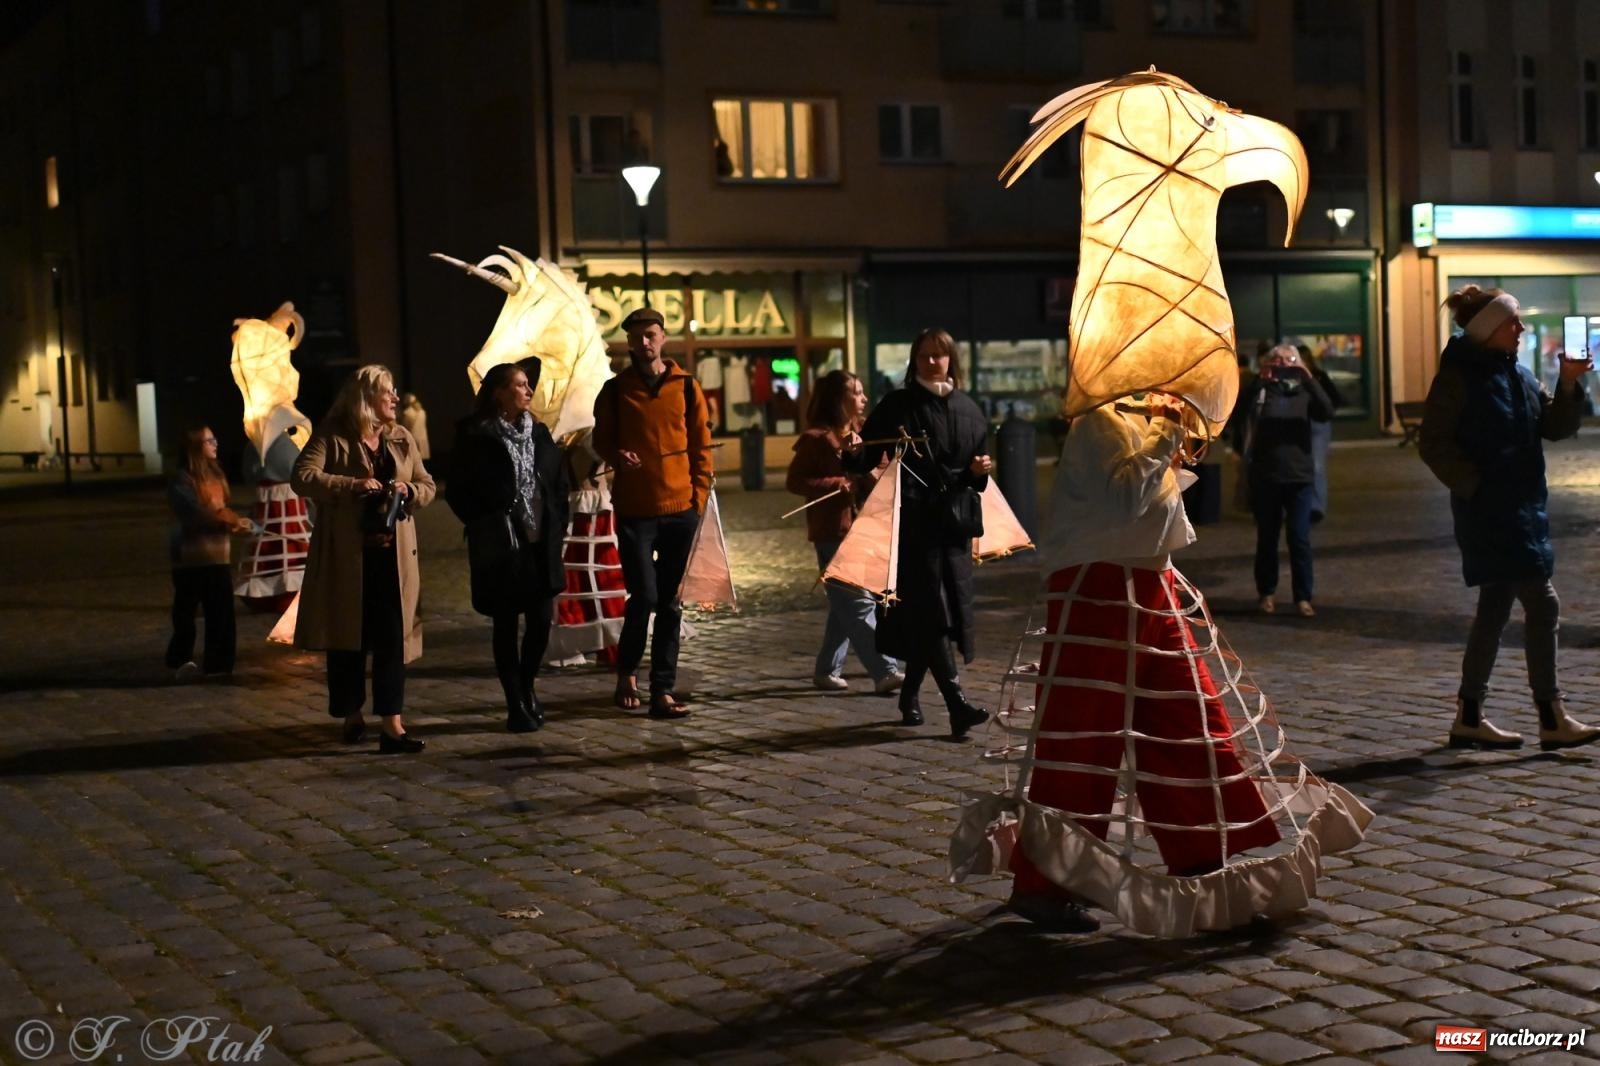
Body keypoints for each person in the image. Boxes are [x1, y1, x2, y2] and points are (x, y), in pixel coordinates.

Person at [1003, 397, 1283, 933]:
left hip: (1152, 583)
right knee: (1084, 739)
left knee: (1189, 723)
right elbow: (1125, 494)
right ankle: (1043, 882)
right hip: (1099, 591)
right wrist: (1164, 432)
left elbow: (1149, 501)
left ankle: (1204, 867)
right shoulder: (1097, 424)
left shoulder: (1134, 421)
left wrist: (1171, 447)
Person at [1419, 285, 1600, 752]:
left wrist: (1568, 383)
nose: (1520, 329)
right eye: (1512, 322)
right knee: (1543, 603)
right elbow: (1434, 444)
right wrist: (1478, 487)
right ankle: (1550, 714)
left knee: (1495, 609)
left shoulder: (1517, 375)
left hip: (1523, 506)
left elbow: (1556, 428)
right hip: (1492, 512)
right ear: (1488, 330)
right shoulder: (1458, 378)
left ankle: (1470, 716)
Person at [845, 327, 991, 738]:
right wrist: (855, 451)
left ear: (950, 359)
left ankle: (910, 697)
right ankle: (957, 705)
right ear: (914, 361)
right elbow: (867, 454)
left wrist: (979, 472)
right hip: (916, 526)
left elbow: (976, 472)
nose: (931, 361)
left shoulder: (969, 409)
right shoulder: (898, 404)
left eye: (938, 355)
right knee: (933, 615)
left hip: (955, 529)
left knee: (937, 620)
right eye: (924, 355)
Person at [292, 365, 436, 753]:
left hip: (393, 559)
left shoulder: (402, 437)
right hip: (348, 560)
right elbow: (302, 476)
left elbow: (428, 485)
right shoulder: (333, 435)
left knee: (392, 641)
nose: (394, 397)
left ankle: (393, 725)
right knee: (348, 640)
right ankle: (351, 714)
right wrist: (349, 485)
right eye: (387, 391)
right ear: (366, 398)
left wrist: (408, 489)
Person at [591, 306, 714, 719]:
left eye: (652, 335)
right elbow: (601, 440)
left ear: (663, 338)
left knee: (671, 604)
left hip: (681, 510)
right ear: (627, 341)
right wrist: (615, 455)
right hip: (636, 512)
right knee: (642, 596)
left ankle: (662, 687)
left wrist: (697, 500)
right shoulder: (615, 390)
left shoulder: (686, 386)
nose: (644, 342)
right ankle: (627, 672)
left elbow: (701, 446)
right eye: (637, 336)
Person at [446, 361, 570, 732]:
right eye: (519, 385)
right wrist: (484, 521)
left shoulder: (540, 434)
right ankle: (515, 702)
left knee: (541, 622)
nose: (528, 391)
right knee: (505, 623)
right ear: (499, 392)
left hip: (539, 543)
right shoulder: (475, 434)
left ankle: (526, 684)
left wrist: (557, 522)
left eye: (528, 384)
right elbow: (457, 491)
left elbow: (558, 484)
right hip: (501, 546)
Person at [786, 369, 905, 696]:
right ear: (839, 399)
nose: (864, 398)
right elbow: (795, 480)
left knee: (845, 605)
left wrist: (861, 459)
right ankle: (885, 669)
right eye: (857, 393)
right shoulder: (816, 439)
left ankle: (827, 669)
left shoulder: (864, 432)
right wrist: (835, 483)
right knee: (857, 602)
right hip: (832, 531)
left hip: (863, 529)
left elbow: (882, 476)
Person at [1235, 343, 1331, 617]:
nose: (1283, 365)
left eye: (1290, 360)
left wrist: (1308, 378)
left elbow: (1327, 411)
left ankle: (1303, 597)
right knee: (1267, 539)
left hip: (1299, 477)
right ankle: (1266, 593)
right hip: (1267, 476)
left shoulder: (1304, 392)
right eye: (1278, 361)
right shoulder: (1262, 392)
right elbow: (1238, 416)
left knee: (1299, 538)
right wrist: (1257, 382)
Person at [166, 425, 253, 681]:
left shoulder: (216, 476)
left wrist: (237, 522)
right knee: (185, 613)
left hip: (217, 556)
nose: (215, 444)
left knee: (221, 613)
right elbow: (194, 513)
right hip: (191, 559)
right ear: (196, 447)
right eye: (209, 440)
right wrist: (228, 522)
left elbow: (219, 510)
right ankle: (179, 660)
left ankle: (219, 664)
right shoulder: (182, 480)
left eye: (215, 439)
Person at [1299, 344, 1345, 524]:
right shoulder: (1294, 379)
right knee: (1303, 466)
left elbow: (1335, 398)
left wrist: (1326, 411)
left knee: (1317, 466)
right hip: (1301, 424)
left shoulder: (1318, 377)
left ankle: (1316, 507)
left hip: (1318, 424)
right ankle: (1304, 505)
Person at [398, 392, 431, 461]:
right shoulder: (422, 412)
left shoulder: (407, 413)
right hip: (422, 439)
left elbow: (404, 428)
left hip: (413, 440)